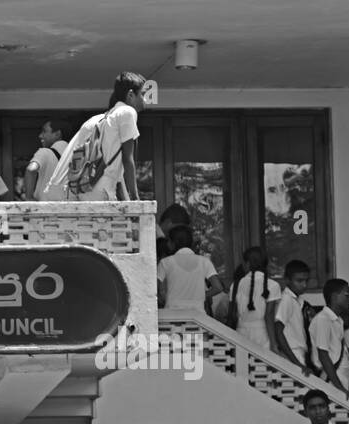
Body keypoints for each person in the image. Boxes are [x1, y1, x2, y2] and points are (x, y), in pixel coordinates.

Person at [43, 71, 146, 202]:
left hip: (81, 189)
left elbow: (119, 178)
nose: (145, 99)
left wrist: (130, 203)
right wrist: (136, 199)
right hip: (100, 190)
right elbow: (128, 159)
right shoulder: (127, 112)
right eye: (142, 94)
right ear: (131, 95)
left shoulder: (98, 120)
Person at [157, 226, 224, 311]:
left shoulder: (165, 262)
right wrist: (200, 296)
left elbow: (153, 289)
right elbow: (218, 287)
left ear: (173, 243)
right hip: (197, 314)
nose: (167, 244)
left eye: (169, 241)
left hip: (173, 314)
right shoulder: (204, 261)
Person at [227, 246, 279, 350]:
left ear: (247, 264)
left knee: (243, 365)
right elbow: (268, 316)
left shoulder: (235, 285)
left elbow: (232, 315)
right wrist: (274, 343)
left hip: (241, 333)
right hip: (263, 334)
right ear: (265, 264)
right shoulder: (273, 285)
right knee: (263, 365)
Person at [312, 278, 349, 397]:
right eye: (347, 295)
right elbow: (323, 355)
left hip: (342, 378)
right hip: (333, 384)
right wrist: (340, 389)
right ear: (334, 297)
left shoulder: (338, 320)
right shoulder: (323, 319)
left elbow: (336, 351)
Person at [271, 259, 312, 371]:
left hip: (298, 354)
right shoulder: (286, 299)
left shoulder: (296, 300)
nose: (304, 285)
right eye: (299, 281)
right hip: (292, 354)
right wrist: (297, 363)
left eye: (306, 280)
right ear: (287, 280)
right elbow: (278, 330)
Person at [23, 118, 68, 201]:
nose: (40, 135)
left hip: (46, 209)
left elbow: (31, 169)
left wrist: (29, 198)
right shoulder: (75, 155)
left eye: (44, 131)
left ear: (57, 134)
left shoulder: (45, 152)